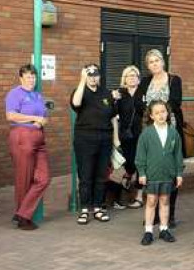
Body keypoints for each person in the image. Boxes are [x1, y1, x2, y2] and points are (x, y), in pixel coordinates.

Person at [135, 50, 185, 223]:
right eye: (151, 62)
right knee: (152, 168)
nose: (154, 64)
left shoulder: (174, 79)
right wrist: (151, 114)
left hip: (170, 127)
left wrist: (160, 112)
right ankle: (152, 214)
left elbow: (176, 102)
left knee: (170, 169)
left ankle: (168, 214)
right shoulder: (146, 81)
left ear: (163, 62)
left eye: (157, 60)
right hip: (150, 129)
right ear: (148, 66)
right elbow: (137, 101)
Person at [5, 64, 51, 231]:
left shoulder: (38, 95)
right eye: (28, 76)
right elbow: (11, 115)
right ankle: (23, 218)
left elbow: (44, 116)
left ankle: (22, 213)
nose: (31, 79)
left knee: (44, 178)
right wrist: (34, 118)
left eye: (33, 76)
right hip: (22, 136)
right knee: (23, 178)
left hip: (39, 138)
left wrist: (42, 120)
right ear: (21, 78)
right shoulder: (15, 93)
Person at [71, 64, 118, 224]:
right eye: (89, 74)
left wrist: (115, 138)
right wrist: (82, 80)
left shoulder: (106, 93)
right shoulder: (80, 91)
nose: (93, 77)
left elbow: (113, 116)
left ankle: (98, 207)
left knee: (101, 174)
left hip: (104, 138)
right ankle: (84, 209)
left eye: (95, 74)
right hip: (85, 138)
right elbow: (76, 103)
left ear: (99, 76)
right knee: (85, 175)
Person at [136, 100, 184, 245]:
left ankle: (164, 229)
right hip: (152, 174)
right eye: (157, 113)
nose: (161, 115)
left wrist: (179, 173)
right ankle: (149, 231)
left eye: (163, 112)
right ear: (151, 116)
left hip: (168, 174)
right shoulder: (147, 133)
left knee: (165, 200)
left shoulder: (173, 132)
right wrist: (142, 172)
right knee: (151, 201)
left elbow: (177, 155)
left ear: (167, 113)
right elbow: (140, 155)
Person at [113, 65, 144, 209]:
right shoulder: (120, 93)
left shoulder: (144, 92)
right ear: (124, 79)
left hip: (142, 134)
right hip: (125, 135)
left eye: (134, 75)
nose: (132, 78)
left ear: (139, 78)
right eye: (129, 75)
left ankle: (138, 196)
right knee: (129, 165)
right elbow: (113, 113)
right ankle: (124, 197)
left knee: (141, 165)